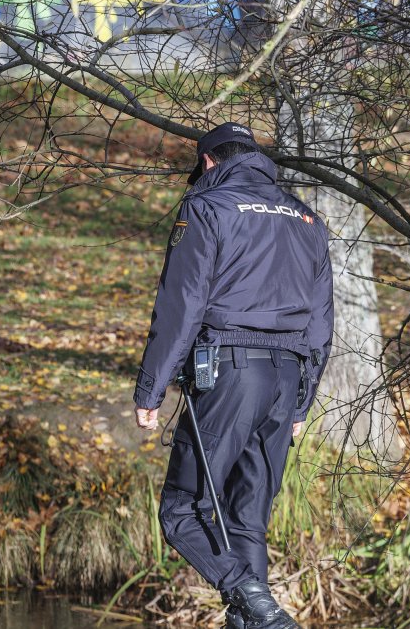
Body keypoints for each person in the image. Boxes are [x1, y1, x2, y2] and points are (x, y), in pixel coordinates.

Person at [132, 122, 333, 629]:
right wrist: (302, 402)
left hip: (230, 373)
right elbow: (321, 323)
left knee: (183, 510)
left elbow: (181, 306)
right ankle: (260, 619)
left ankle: (257, 605)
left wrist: (151, 389)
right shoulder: (307, 219)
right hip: (285, 380)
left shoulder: (206, 207)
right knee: (247, 521)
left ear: (207, 162)